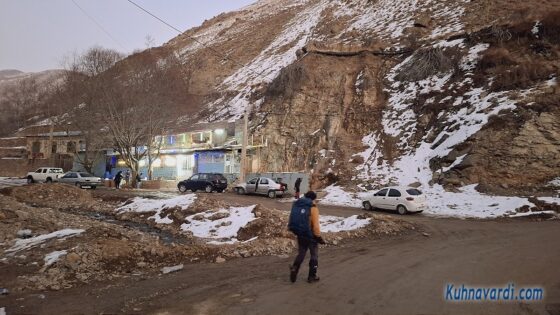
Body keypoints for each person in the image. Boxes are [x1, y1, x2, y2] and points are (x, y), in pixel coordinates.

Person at [288, 191, 325, 283]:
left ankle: (295, 268)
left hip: (300, 233)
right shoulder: (312, 207)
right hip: (311, 235)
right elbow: (315, 225)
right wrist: (318, 237)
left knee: (301, 253)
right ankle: (312, 276)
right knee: (314, 255)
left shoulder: (298, 204)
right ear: (313, 198)